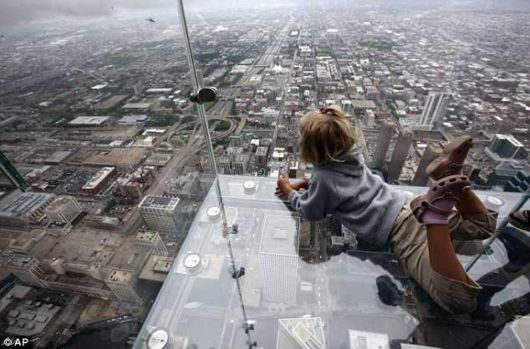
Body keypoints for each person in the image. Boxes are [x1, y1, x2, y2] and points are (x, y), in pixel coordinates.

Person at [275, 106, 498, 315]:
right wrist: (308, 184)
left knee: (459, 301)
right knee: (482, 228)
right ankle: (450, 171)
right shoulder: (353, 157)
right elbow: (335, 183)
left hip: (403, 233)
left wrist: (290, 192)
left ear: (309, 148)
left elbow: (311, 211)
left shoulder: (324, 180)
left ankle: (435, 218)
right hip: (407, 204)